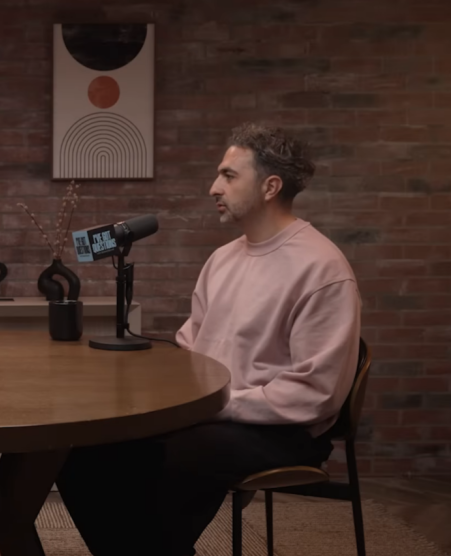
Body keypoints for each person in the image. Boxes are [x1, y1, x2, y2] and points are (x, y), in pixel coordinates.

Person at [55, 123, 361, 556]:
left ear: (271, 186)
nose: (213, 187)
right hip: (210, 415)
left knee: (177, 460)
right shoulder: (222, 260)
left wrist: (216, 406)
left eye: (229, 175)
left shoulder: (322, 268)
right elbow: (192, 347)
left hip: (281, 428)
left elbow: (317, 394)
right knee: (82, 451)